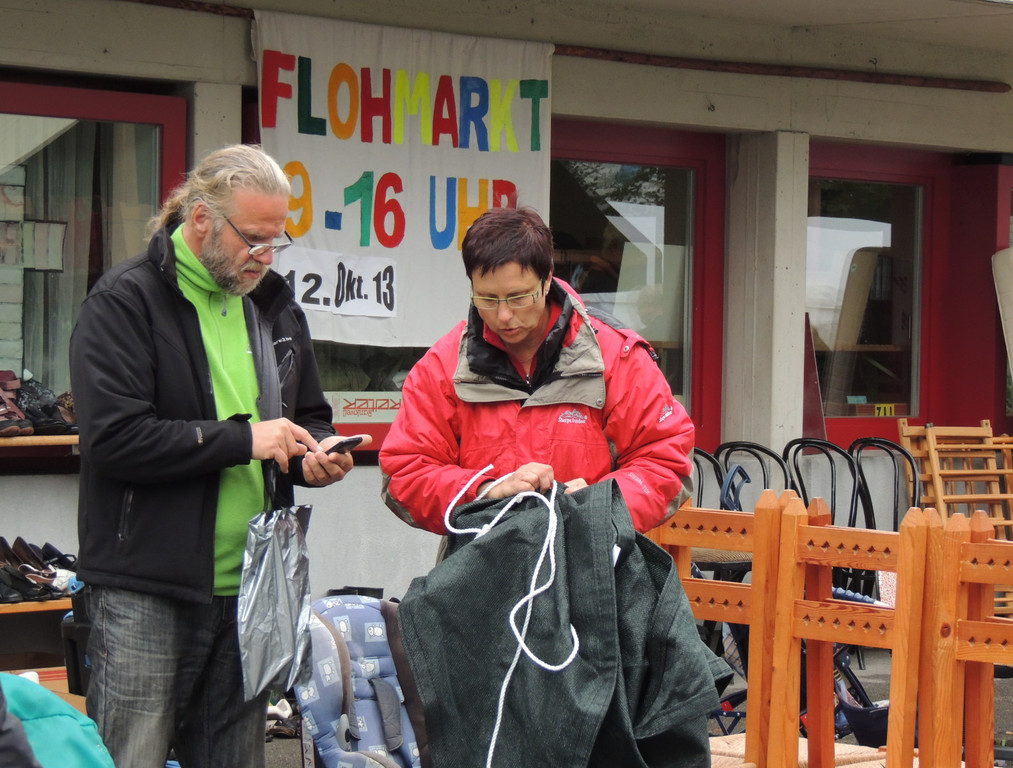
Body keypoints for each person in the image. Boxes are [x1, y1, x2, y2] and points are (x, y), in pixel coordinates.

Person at [69, 144, 367, 768]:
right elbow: (114, 439)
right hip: (146, 590)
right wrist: (244, 439)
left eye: (276, 240)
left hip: (253, 585)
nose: (266, 255)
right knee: (130, 758)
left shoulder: (273, 303)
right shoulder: (124, 300)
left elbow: (307, 417)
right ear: (201, 218)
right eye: (253, 238)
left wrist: (314, 456)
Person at [379, 206, 693, 534]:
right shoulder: (443, 366)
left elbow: (666, 463)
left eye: (518, 297)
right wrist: (485, 491)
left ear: (547, 280)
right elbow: (404, 473)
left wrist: (598, 504)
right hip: (480, 561)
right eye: (487, 299)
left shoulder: (616, 358)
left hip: (594, 557)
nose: (503, 316)